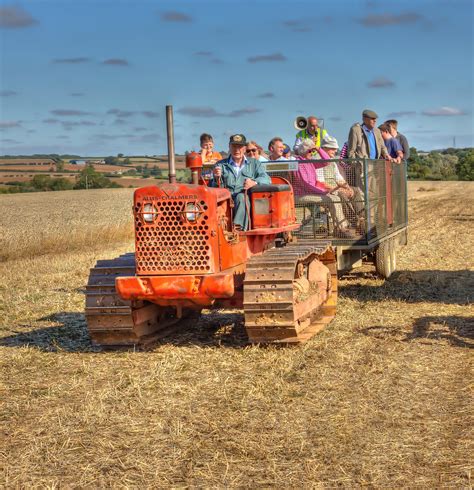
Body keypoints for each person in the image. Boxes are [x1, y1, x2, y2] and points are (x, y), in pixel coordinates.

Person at [293, 138, 357, 238]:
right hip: (301, 195)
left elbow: (326, 162)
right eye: (311, 151)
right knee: (331, 199)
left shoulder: (309, 162)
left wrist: (318, 148)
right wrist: (324, 191)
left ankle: (341, 228)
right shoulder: (298, 164)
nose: (313, 153)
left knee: (335, 198)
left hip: (311, 193)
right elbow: (306, 184)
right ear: (305, 151)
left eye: (313, 151)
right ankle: (341, 228)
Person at [211, 134, 271, 231]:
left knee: (241, 197)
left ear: (244, 148)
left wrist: (253, 182)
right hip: (226, 199)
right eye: (234, 146)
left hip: (246, 199)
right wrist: (216, 178)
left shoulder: (254, 163)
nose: (237, 150)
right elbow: (212, 187)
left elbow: (266, 179)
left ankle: (238, 229)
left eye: (239, 147)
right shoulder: (220, 165)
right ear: (229, 147)